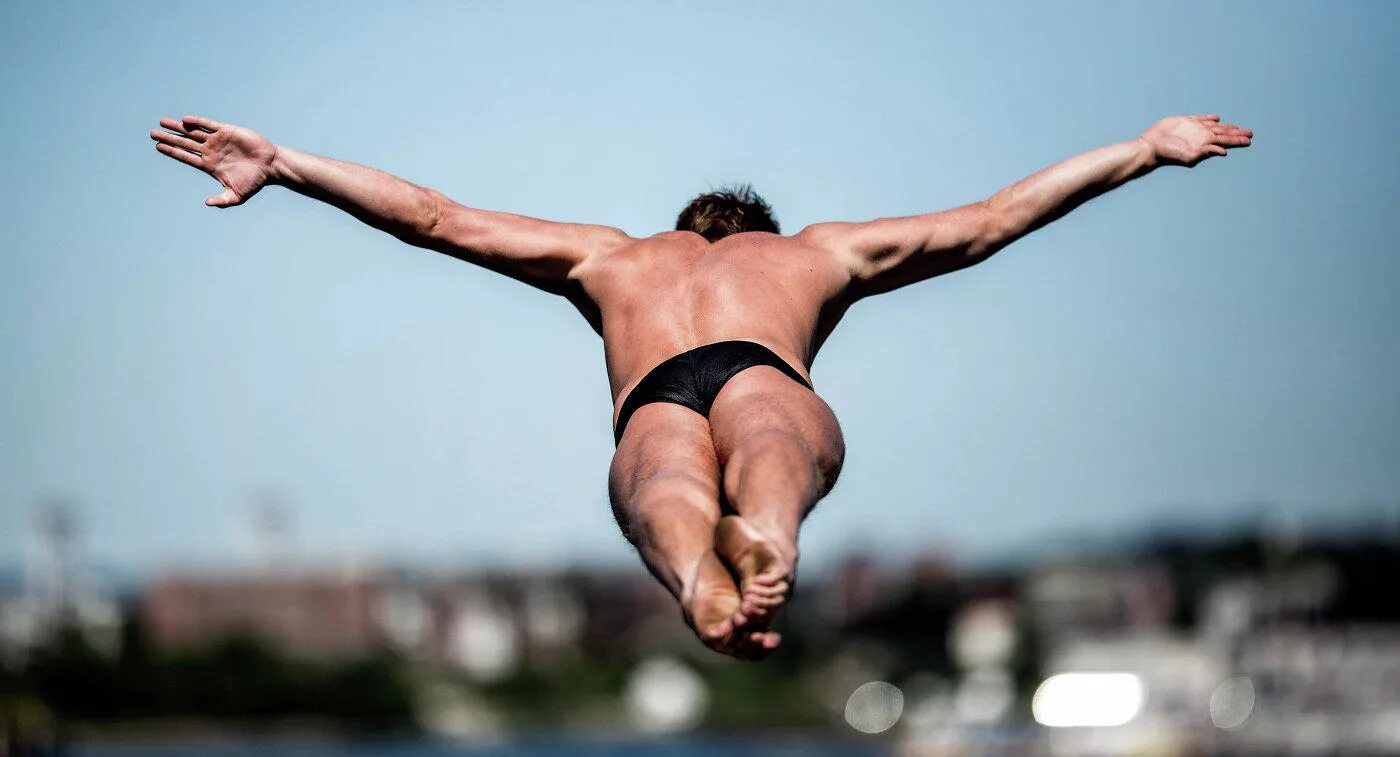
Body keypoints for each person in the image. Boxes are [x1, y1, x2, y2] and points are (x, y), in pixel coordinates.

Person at [151, 112, 1252, 660]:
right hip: (764, 369)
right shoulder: (811, 256)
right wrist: (1139, 150)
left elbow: (433, 216)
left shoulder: (608, 258)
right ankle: (766, 532)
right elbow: (989, 222)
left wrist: (288, 164)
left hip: (653, 393)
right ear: (755, 236)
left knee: (662, 481)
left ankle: (694, 578)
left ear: (681, 232)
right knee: (770, 432)